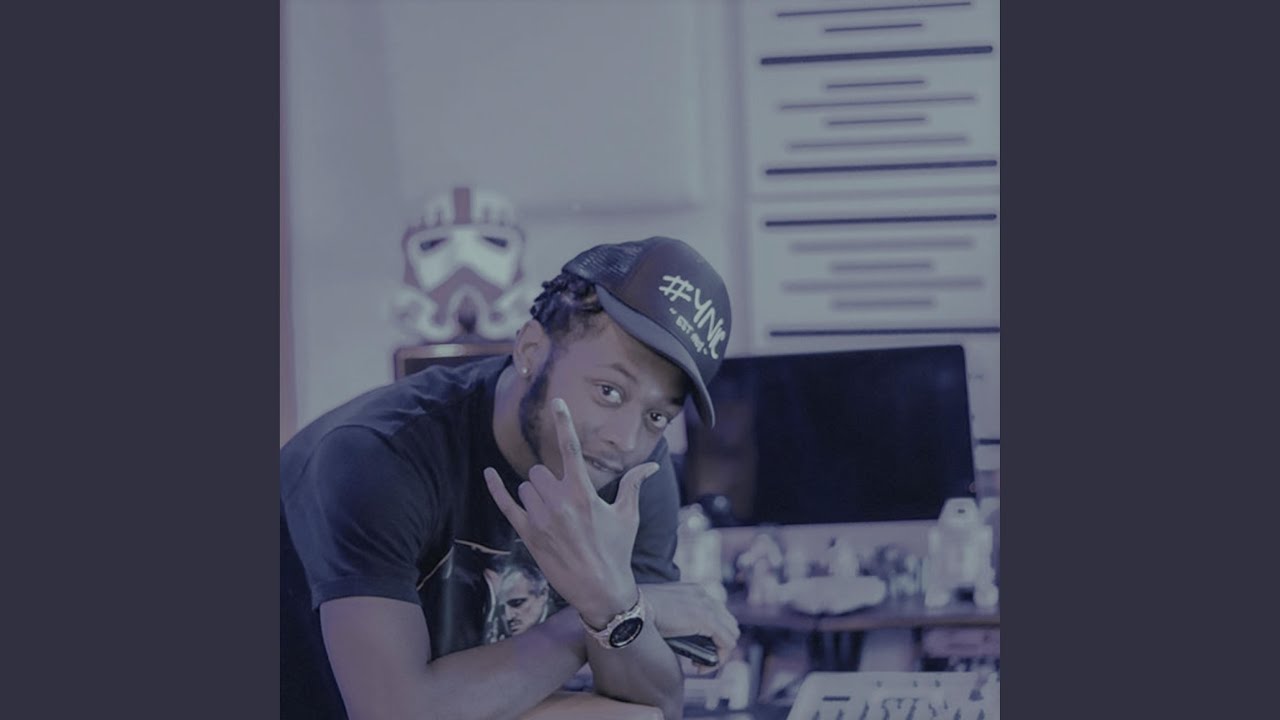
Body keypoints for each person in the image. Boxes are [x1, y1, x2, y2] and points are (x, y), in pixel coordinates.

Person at [281, 236, 742, 720]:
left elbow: (657, 706)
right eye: (609, 391)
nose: (626, 439)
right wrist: (600, 611)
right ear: (531, 349)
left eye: (657, 416)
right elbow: (395, 714)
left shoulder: (632, 475)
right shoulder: (380, 456)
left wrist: (615, 607)